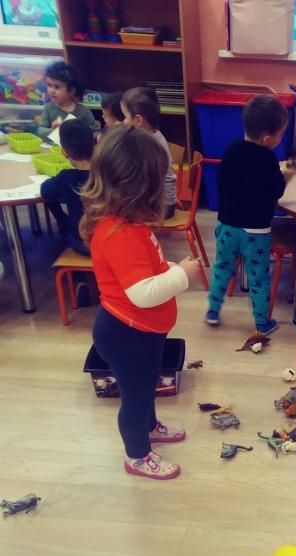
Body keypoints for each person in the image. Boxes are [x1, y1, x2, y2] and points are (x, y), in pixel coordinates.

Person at [79, 125, 201, 480]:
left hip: (142, 331)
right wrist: (182, 274)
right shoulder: (120, 233)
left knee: (146, 386)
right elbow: (142, 293)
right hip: (127, 333)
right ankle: (137, 455)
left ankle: (149, 427)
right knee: (135, 397)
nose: (164, 186)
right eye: (159, 180)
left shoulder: (128, 223)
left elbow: (144, 270)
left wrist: (168, 269)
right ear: (138, 187)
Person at [204, 94, 296, 335]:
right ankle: (262, 323)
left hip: (227, 226)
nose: (281, 138)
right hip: (256, 233)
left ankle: (213, 310)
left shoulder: (231, 150)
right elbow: (275, 191)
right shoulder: (268, 159)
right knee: (259, 278)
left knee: (222, 268)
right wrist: (285, 176)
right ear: (267, 139)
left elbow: (222, 181)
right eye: (281, 135)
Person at [121, 87, 177, 219]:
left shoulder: (147, 144)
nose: (123, 121)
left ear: (138, 120)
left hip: (161, 207)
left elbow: (139, 180)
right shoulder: (153, 135)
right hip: (162, 201)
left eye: (125, 116)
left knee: (118, 211)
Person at [41, 119, 94, 257]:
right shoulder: (107, 172)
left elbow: (45, 191)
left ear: (64, 151)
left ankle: (62, 224)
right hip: (109, 240)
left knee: (51, 198)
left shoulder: (66, 177)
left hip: (83, 244)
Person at [38, 61, 99, 138]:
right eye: (49, 85)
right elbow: (41, 130)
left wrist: (77, 132)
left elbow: (94, 133)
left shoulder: (83, 111)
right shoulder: (48, 108)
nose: (51, 90)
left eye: (57, 87)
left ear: (71, 91)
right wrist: (54, 130)